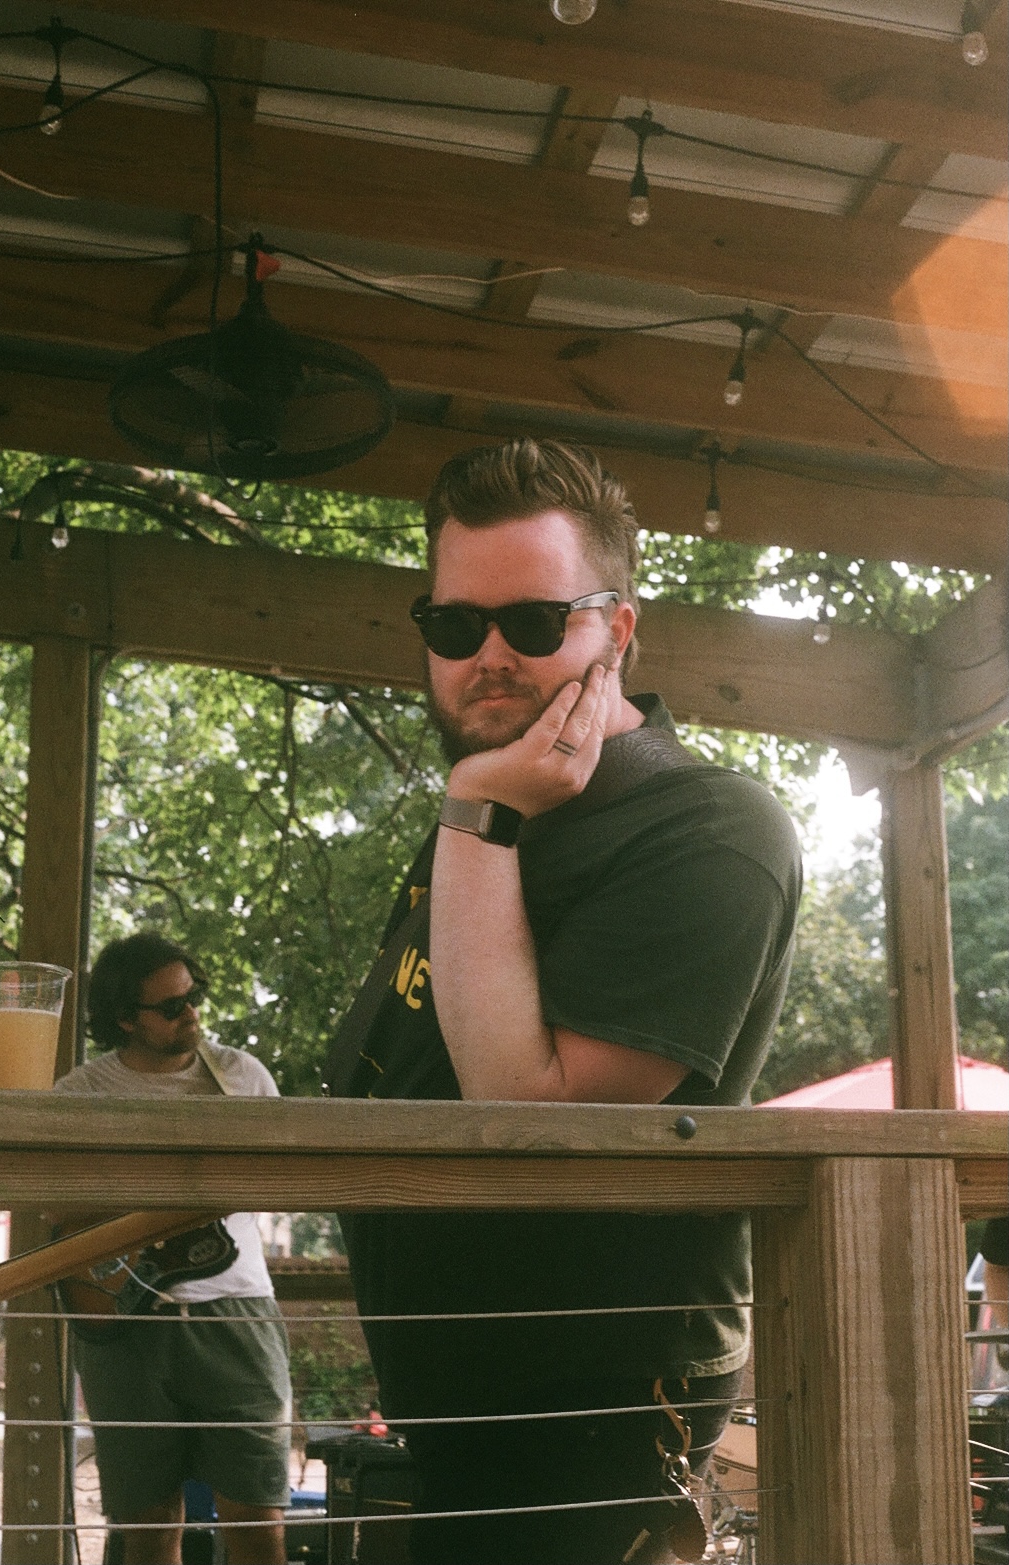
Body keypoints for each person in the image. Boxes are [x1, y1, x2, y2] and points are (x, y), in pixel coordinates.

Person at [327, 439, 802, 1564]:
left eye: (535, 622)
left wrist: (474, 811)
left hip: (594, 1415)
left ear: (616, 631)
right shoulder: (498, 809)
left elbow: (527, 1112)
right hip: (463, 1408)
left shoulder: (707, 825)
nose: (488, 656)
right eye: (454, 625)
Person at [52, 932, 291, 1565]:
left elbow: (279, 1182)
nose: (191, 1013)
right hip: (125, 1324)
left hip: (235, 1313)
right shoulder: (79, 1096)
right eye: (170, 1007)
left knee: (258, 1523)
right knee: (149, 1531)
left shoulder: (242, 1077)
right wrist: (142, 1211)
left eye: (194, 995)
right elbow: (56, 1213)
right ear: (124, 1019)